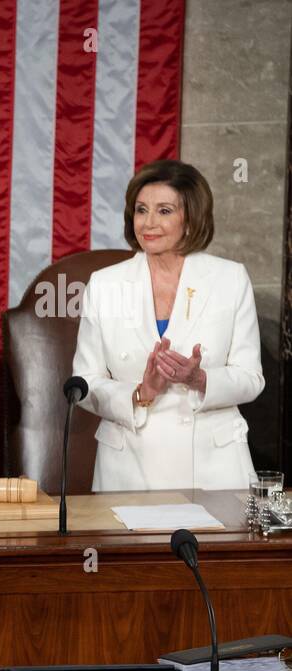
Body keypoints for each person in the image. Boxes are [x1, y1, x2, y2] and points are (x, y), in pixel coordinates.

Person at [73, 160, 263, 491]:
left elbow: (251, 379)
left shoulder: (230, 279)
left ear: (191, 219)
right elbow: (84, 384)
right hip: (129, 472)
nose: (148, 223)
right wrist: (140, 393)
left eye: (164, 211)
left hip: (215, 473)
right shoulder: (104, 285)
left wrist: (200, 379)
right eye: (141, 210)